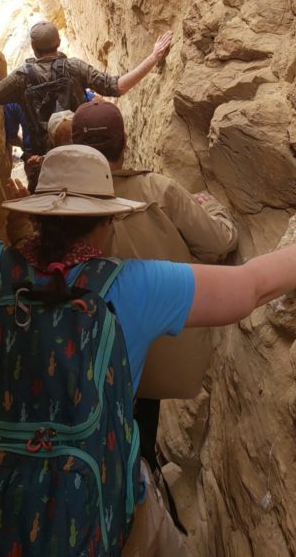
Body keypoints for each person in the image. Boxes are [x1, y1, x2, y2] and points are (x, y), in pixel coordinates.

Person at [0, 146, 296, 556]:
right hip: (95, 506)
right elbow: (252, 286)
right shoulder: (131, 286)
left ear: (37, 214)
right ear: (106, 222)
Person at [66, 100, 237, 475]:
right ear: (124, 143)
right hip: (158, 356)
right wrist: (215, 209)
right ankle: (141, 479)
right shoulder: (159, 191)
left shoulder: (60, 205)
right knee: (141, 421)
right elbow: (219, 243)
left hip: (80, 356)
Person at [0, 20, 173, 158]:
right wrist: (154, 57)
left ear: (33, 48)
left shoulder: (19, 78)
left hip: (41, 161)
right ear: (58, 43)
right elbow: (118, 86)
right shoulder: (74, 67)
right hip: (82, 155)